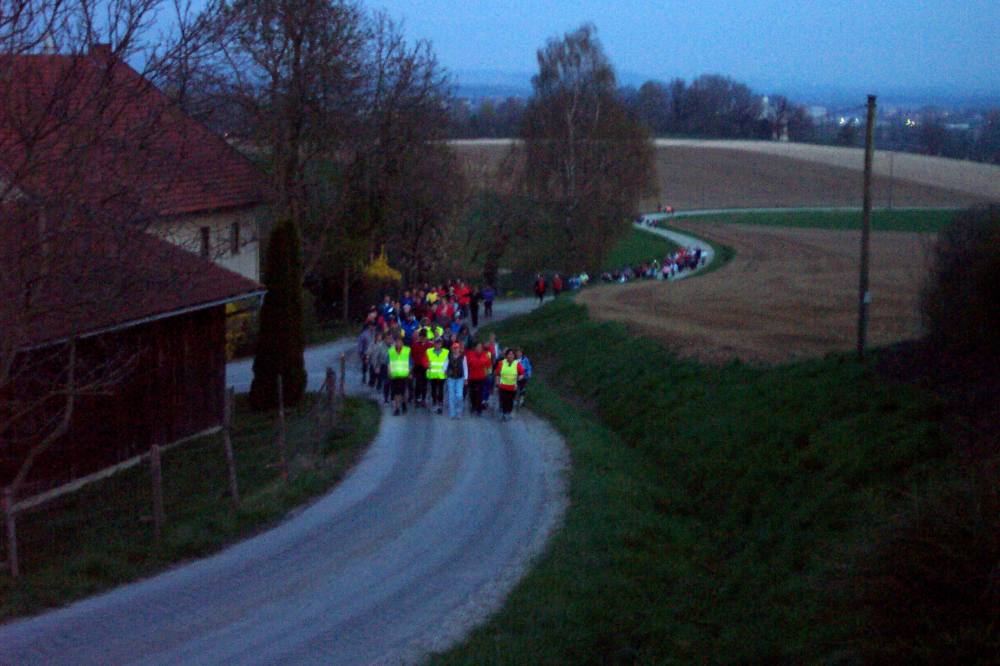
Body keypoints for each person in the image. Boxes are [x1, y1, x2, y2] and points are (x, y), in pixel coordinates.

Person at [495, 348, 525, 421]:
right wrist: (497, 381)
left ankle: (508, 412)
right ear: (506, 355)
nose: (510, 356)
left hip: (512, 386)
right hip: (503, 386)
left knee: (510, 400)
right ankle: (504, 412)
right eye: (509, 354)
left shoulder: (517, 364)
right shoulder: (501, 363)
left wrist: (520, 378)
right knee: (503, 399)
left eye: (512, 354)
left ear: (514, 356)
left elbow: (522, 373)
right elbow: (497, 374)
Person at [464, 340, 492, 416]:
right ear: (475, 347)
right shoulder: (470, 354)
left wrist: (488, 372)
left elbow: (489, 365)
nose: (479, 348)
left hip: (481, 377)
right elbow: (466, 364)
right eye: (478, 346)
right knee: (472, 393)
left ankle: (479, 409)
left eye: (481, 347)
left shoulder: (485, 355)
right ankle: (473, 406)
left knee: (480, 393)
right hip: (472, 377)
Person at [387, 335, 411, 416]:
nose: (398, 343)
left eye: (400, 342)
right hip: (395, 375)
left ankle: (404, 404)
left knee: (403, 393)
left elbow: (410, 363)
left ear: (402, 343)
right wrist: (389, 372)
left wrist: (410, 373)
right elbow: (389, 363)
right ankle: (397, 408)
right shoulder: (391, 351)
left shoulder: (407, 351)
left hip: (404, 375)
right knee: (396, 393)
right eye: (397, 342)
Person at [444, 342, 468, 419]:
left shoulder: (463, 357)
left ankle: (459, 411)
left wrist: (466, 378)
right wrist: (444, 371)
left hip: (460, 378)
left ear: (459, 349)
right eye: (454, 348)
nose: (455, 349)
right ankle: (452, 413)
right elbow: (445, 365)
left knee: (459, 395)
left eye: (457, 348)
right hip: (451, 378)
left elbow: (465, 368)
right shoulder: (448, 356)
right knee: (451, 396)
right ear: (452, 349)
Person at [426, 337, 449, 414]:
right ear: (434, 344)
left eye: (439, 343)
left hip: (441, 374)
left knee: (441, 391)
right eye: (436, 343)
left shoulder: (446, 352)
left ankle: (440, 405)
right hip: (432, 374)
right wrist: (427, 364)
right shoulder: (429, 351)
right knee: (433, 390)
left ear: (441, 344)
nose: (438, 345)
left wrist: (445, 370)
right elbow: (425, 360)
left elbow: (447, 362)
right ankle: (434, 403)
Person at [411, 329, 431, 408]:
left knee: (425, 384)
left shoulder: (429, 345)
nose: (422, 338)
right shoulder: (415, 345)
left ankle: (423, 399)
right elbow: (412, 356)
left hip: (426, 367)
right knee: (418, 383)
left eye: (424, 337)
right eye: (421, 336)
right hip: (418, 366)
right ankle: (417, 399)